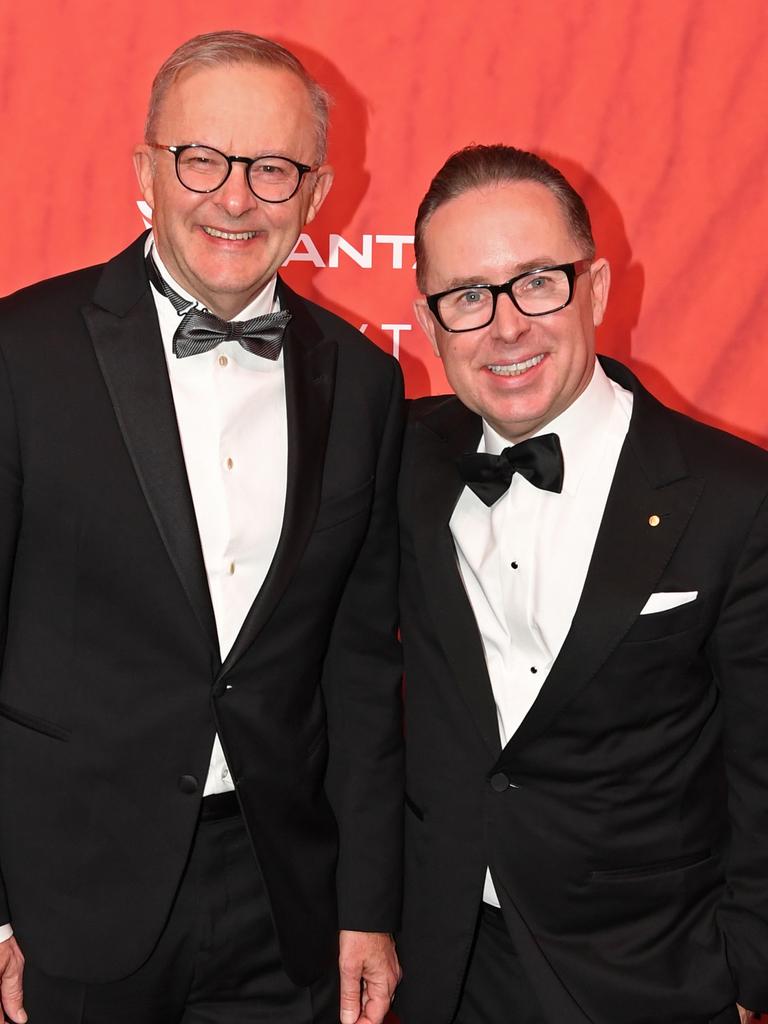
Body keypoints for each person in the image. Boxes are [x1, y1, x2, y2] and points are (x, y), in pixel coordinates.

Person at [0, 30, 403, 1024]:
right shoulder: (19, 354)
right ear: (146, 168)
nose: (234, 198)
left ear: (315, 192)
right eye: (202, 159)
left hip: (283, 897)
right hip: (68, 896)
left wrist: (365, 905)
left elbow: (357, 668)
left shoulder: (364, 384)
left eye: (272, 169)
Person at [395, 143, 768, 1024]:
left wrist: (747, 977)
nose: (506, 326)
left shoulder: (734, 500)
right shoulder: (399, 462)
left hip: (652, 975)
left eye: (537, 282)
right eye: (468, 297)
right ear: (430, 321)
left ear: (595, 288)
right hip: (445, 969)